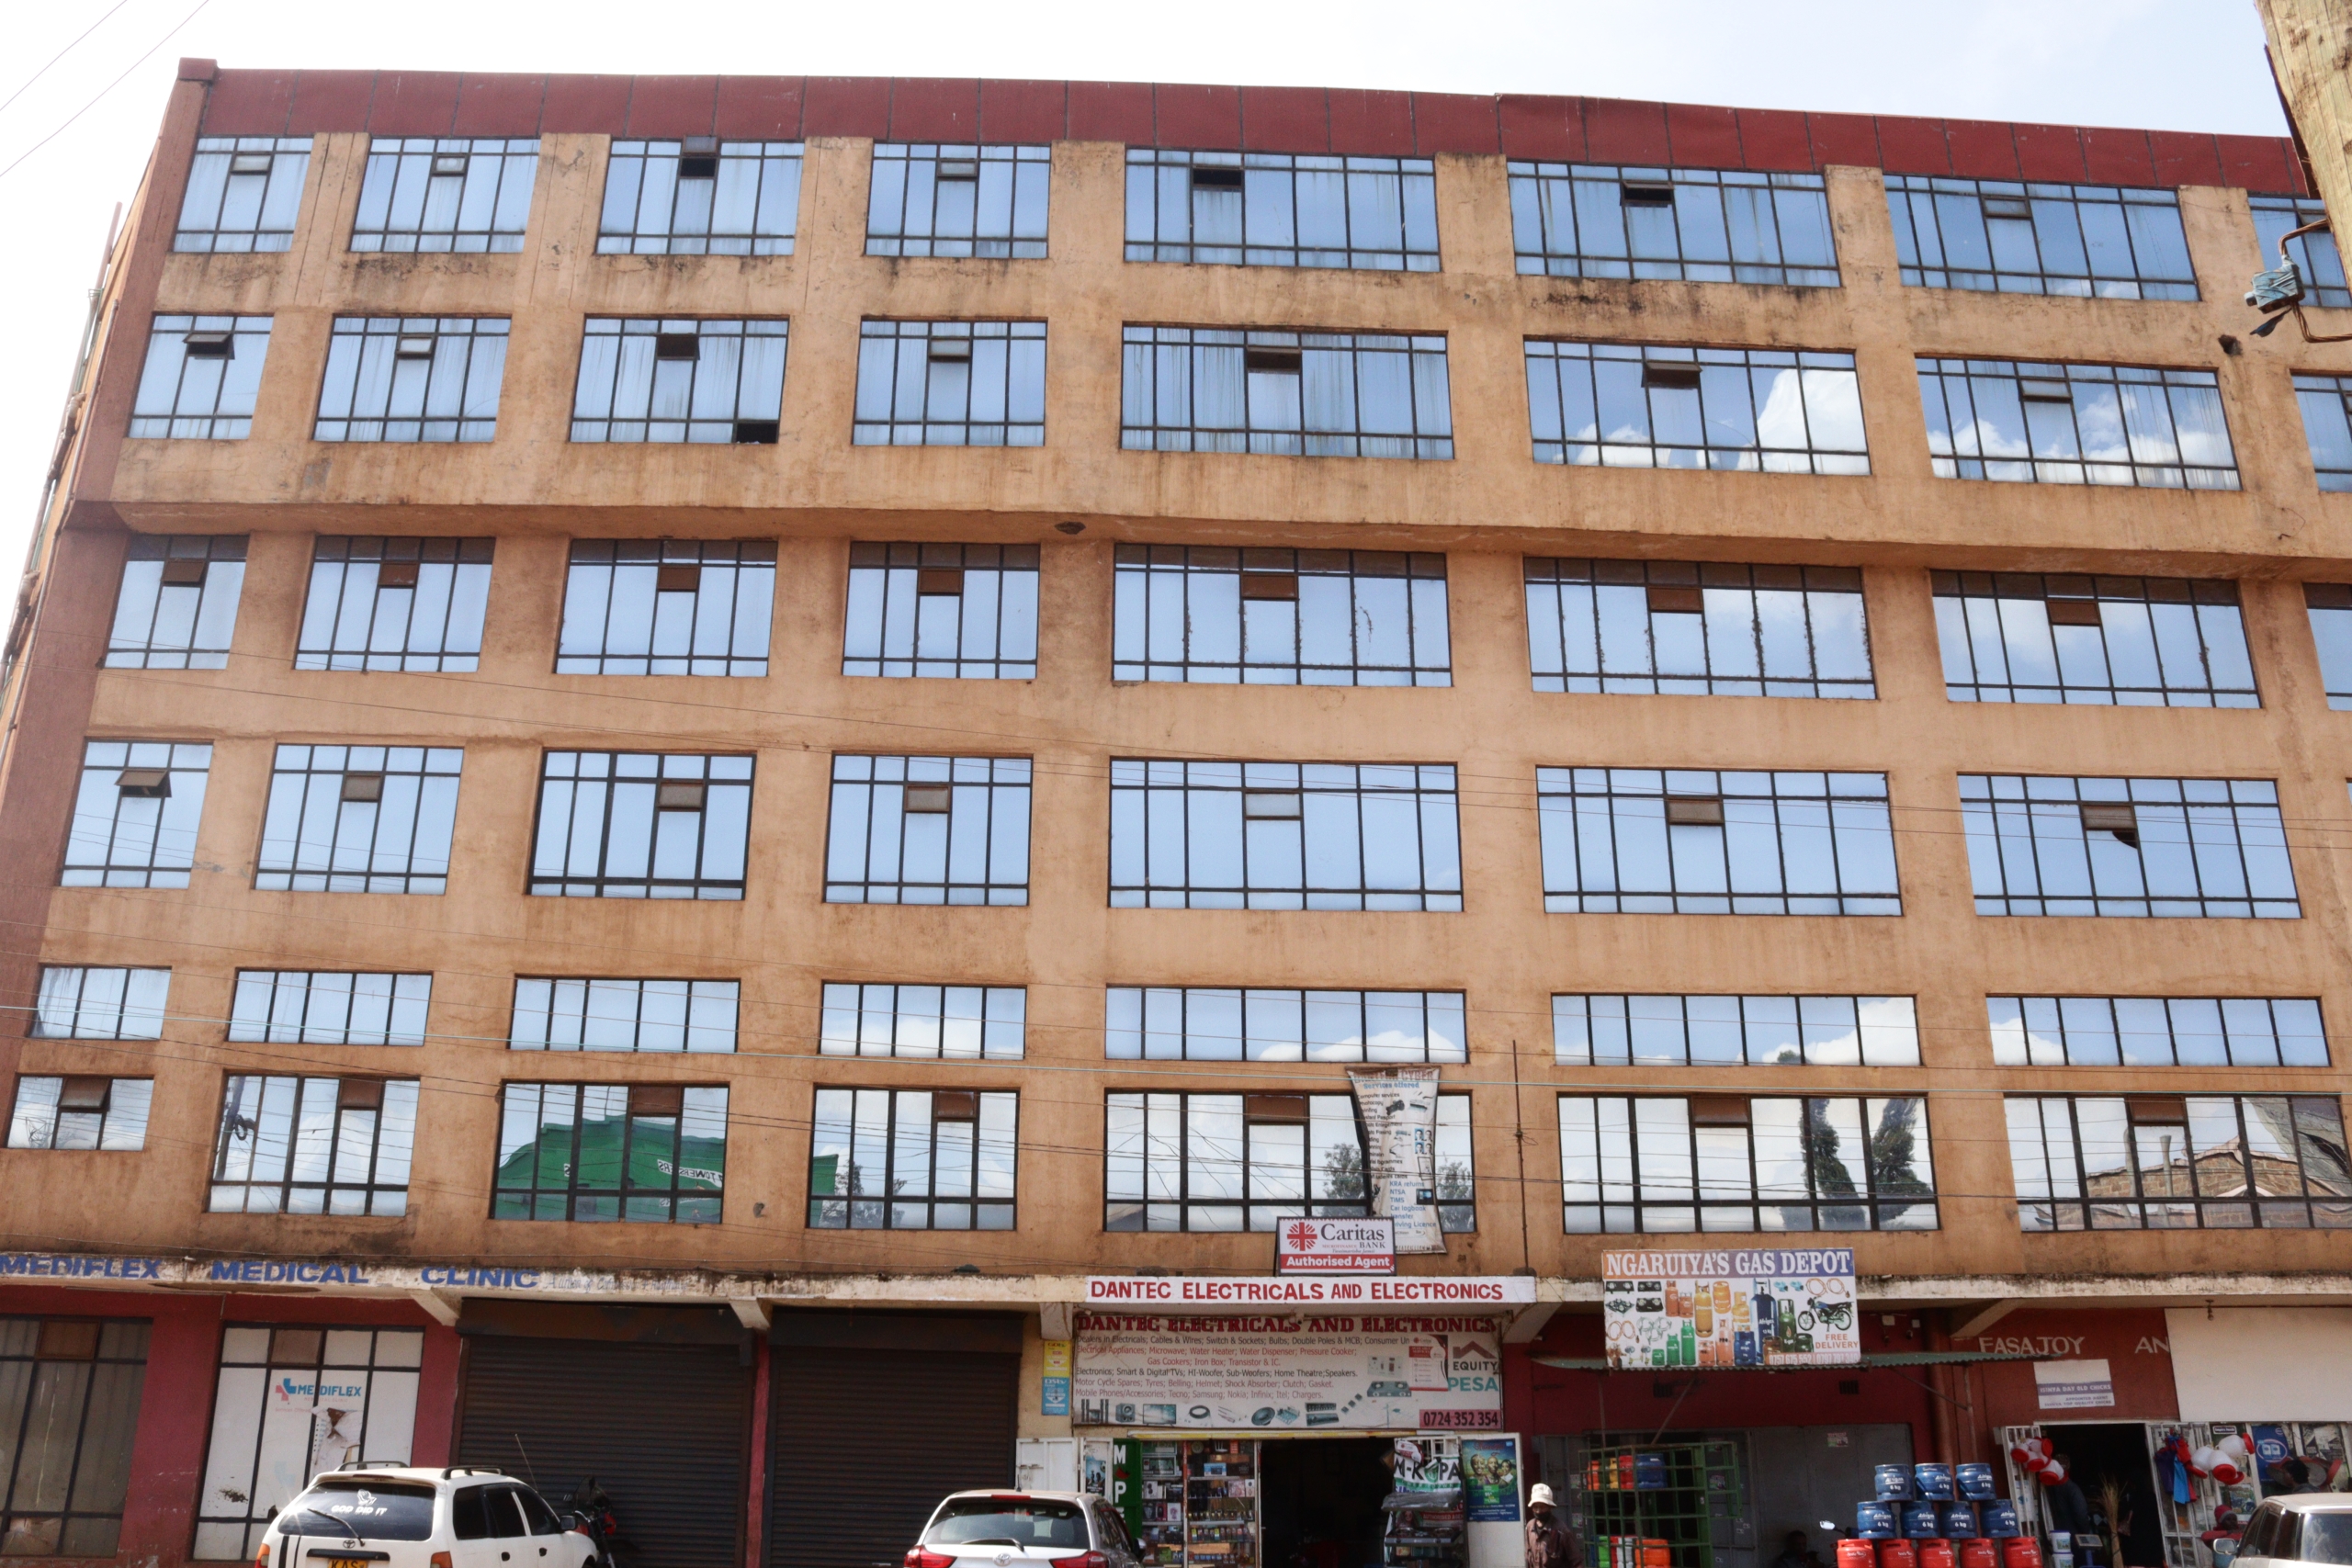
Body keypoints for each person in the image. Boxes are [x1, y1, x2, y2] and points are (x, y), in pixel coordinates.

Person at [1526, 1484, 1581, 1568]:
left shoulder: (1561, 1530)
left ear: (1549, 1507)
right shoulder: (1530, 1528)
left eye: (1542, 1507)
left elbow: (1577, 1562)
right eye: (1535, 1507)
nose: (1538, 1511)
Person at [2043, 1459, 2096, 1543]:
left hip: (2057, 1537)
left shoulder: (2050, 1489)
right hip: (2074, 1539)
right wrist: (2086, 1532)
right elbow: (2081, 1514)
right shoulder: (2072, 1489)